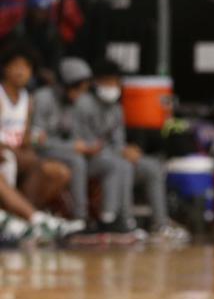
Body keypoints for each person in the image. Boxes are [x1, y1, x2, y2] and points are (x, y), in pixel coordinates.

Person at [75, 58, 188, 241]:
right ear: (96, 83)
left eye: (115, 82)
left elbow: (118, 141)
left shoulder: (117, 108)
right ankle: (122, 221)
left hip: (113, 156)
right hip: (91, 160)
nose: (112, 86)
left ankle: (160, 224)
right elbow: (85, 143)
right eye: (107, 82)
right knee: (122, 164)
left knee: (152, 166)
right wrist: (119, 152)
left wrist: (126, 150)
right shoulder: (83, 104)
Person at [32, 58, 129, 230]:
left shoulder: (73, 103)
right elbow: (37, 140)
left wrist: (88, 146)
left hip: (69, 152)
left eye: (83, 90)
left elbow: (74, 137)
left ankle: (109, 219)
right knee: (77, 160)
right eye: (77, 89)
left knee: (112, 165)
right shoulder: (43, 98)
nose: (80, 95)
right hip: (42, 153)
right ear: (65, 84)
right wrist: (73, 147)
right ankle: (80, 219)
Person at [0, 42, 72, 211]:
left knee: (59, 172)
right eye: (16, 66)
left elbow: (24, 138)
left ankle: (25, 214)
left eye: (26, 67)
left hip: (19, 153)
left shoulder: (28, 99)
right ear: (5, 68)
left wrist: (34, 139)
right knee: (8, 160)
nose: (21, 71)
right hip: (5, 152)